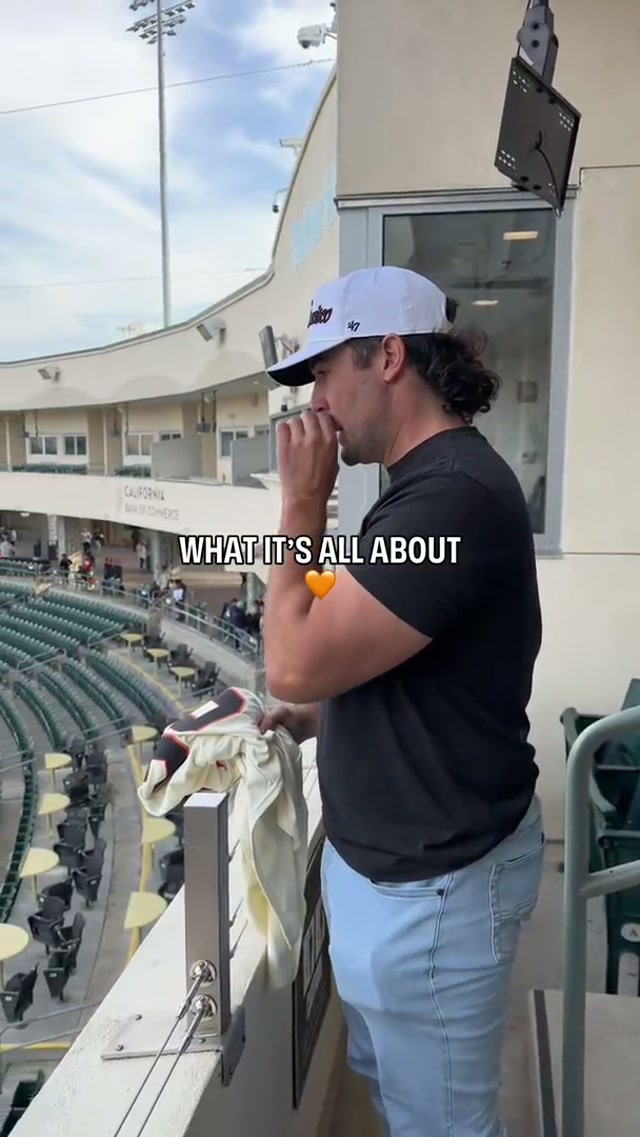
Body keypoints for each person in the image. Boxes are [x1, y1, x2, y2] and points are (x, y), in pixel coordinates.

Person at [259, 265, 544, 1137]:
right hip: (397, 881)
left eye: (322, 372)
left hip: (436, 894)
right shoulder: (425, 488)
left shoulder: (453, 497)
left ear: (387, 357)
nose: (313, 401)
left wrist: (301, 505)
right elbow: (395, 663)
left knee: (444, 1124)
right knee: (401, 1102)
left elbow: (291, 662)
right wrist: (322, 716)